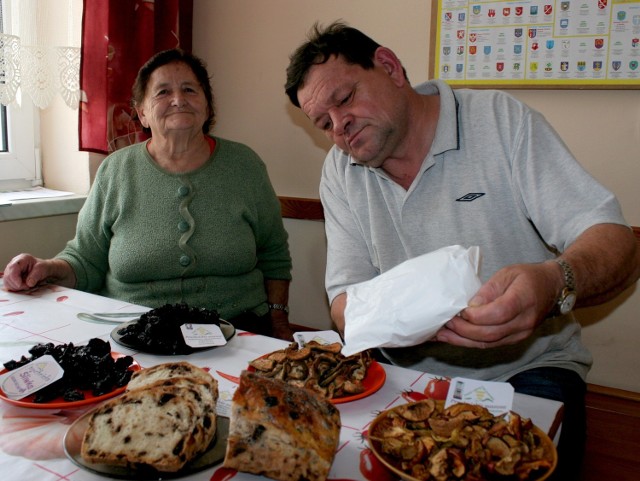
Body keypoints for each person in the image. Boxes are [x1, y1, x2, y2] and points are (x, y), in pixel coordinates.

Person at [285, 22, 640, 480]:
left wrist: (553, 283)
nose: (339, 126)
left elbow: (616, 242)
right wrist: (401, 320)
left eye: (345, 98)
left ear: (390, 67)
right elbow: (344, 305)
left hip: (528, 367)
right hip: (401, 374)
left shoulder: (499, 120)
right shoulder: (340, 171)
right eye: (323, 123)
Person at [4, 49, 293, 340]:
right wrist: (46, 268)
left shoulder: (245, 165)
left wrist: (279, 323)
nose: (178, 100)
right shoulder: (115, 171)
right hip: (135, 332)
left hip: (235, 329)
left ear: (207, 107)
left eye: (190, 90)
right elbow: (86, 259)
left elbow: (274, 254)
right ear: (142, 113)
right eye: (163, 92)